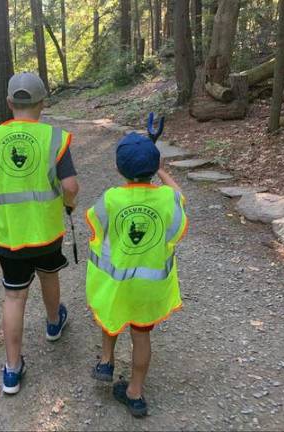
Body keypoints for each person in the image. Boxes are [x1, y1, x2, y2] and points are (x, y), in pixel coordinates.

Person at [0, 72, 79, 395]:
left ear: (9, 103)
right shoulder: (54, 138)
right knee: (50, 277)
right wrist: (70, 203)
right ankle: (54, 324)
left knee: (14, 296)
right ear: (42, 103)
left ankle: (11, 370)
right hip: (48, 233)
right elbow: (70, 186)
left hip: (10, 238)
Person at [85, 131, 188, 417]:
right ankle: (135, 393)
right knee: (141, 336)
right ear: (154, 168)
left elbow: (94, 226)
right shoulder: (168, 199)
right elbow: (181, 201)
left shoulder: (111, 199)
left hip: (117, 284)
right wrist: (164, 171)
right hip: (148, 289)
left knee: (111, 318)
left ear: (119, 168)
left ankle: (106, 361)